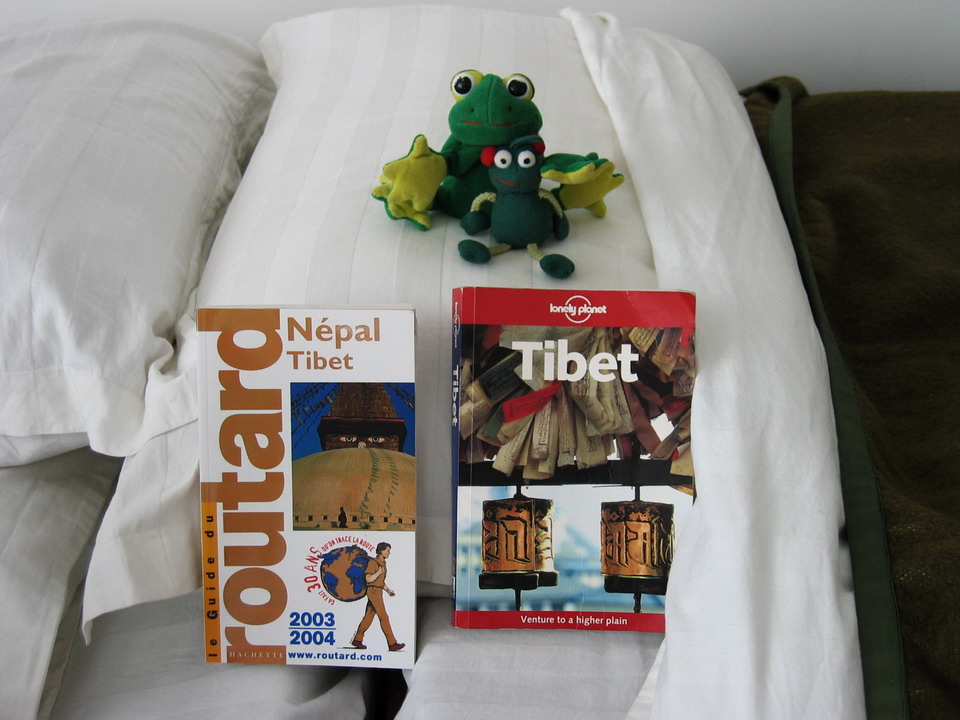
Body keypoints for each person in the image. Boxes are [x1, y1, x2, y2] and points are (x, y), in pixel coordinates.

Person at [351, 542, 404, 651]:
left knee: (368, 617)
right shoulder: (373, 563)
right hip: (373, 591)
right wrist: (379, 572)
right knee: (384, 617)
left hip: (378, 591)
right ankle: (392, 643)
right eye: (387, 550)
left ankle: (357, 639)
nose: (389, 553)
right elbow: (368, 579)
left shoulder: (383, 563)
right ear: (381, 551)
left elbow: (380, 582)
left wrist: (388, 590)